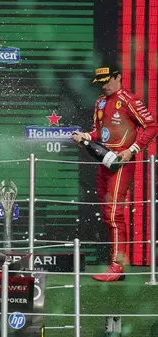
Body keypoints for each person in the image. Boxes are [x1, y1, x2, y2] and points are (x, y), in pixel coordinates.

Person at [71, 63, 158, 282]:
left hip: (122, 163)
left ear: (118, 77)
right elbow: (100, 133)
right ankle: (117, 264)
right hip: (105, 162)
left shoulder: (130, 100)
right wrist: (85, 136)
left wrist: (132, 150)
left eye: (107, 81)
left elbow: (152, 126)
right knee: (108, 215)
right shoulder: (100, 102)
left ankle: (117, 266)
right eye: (100, 83)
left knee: (113, 214)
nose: (104, 86)